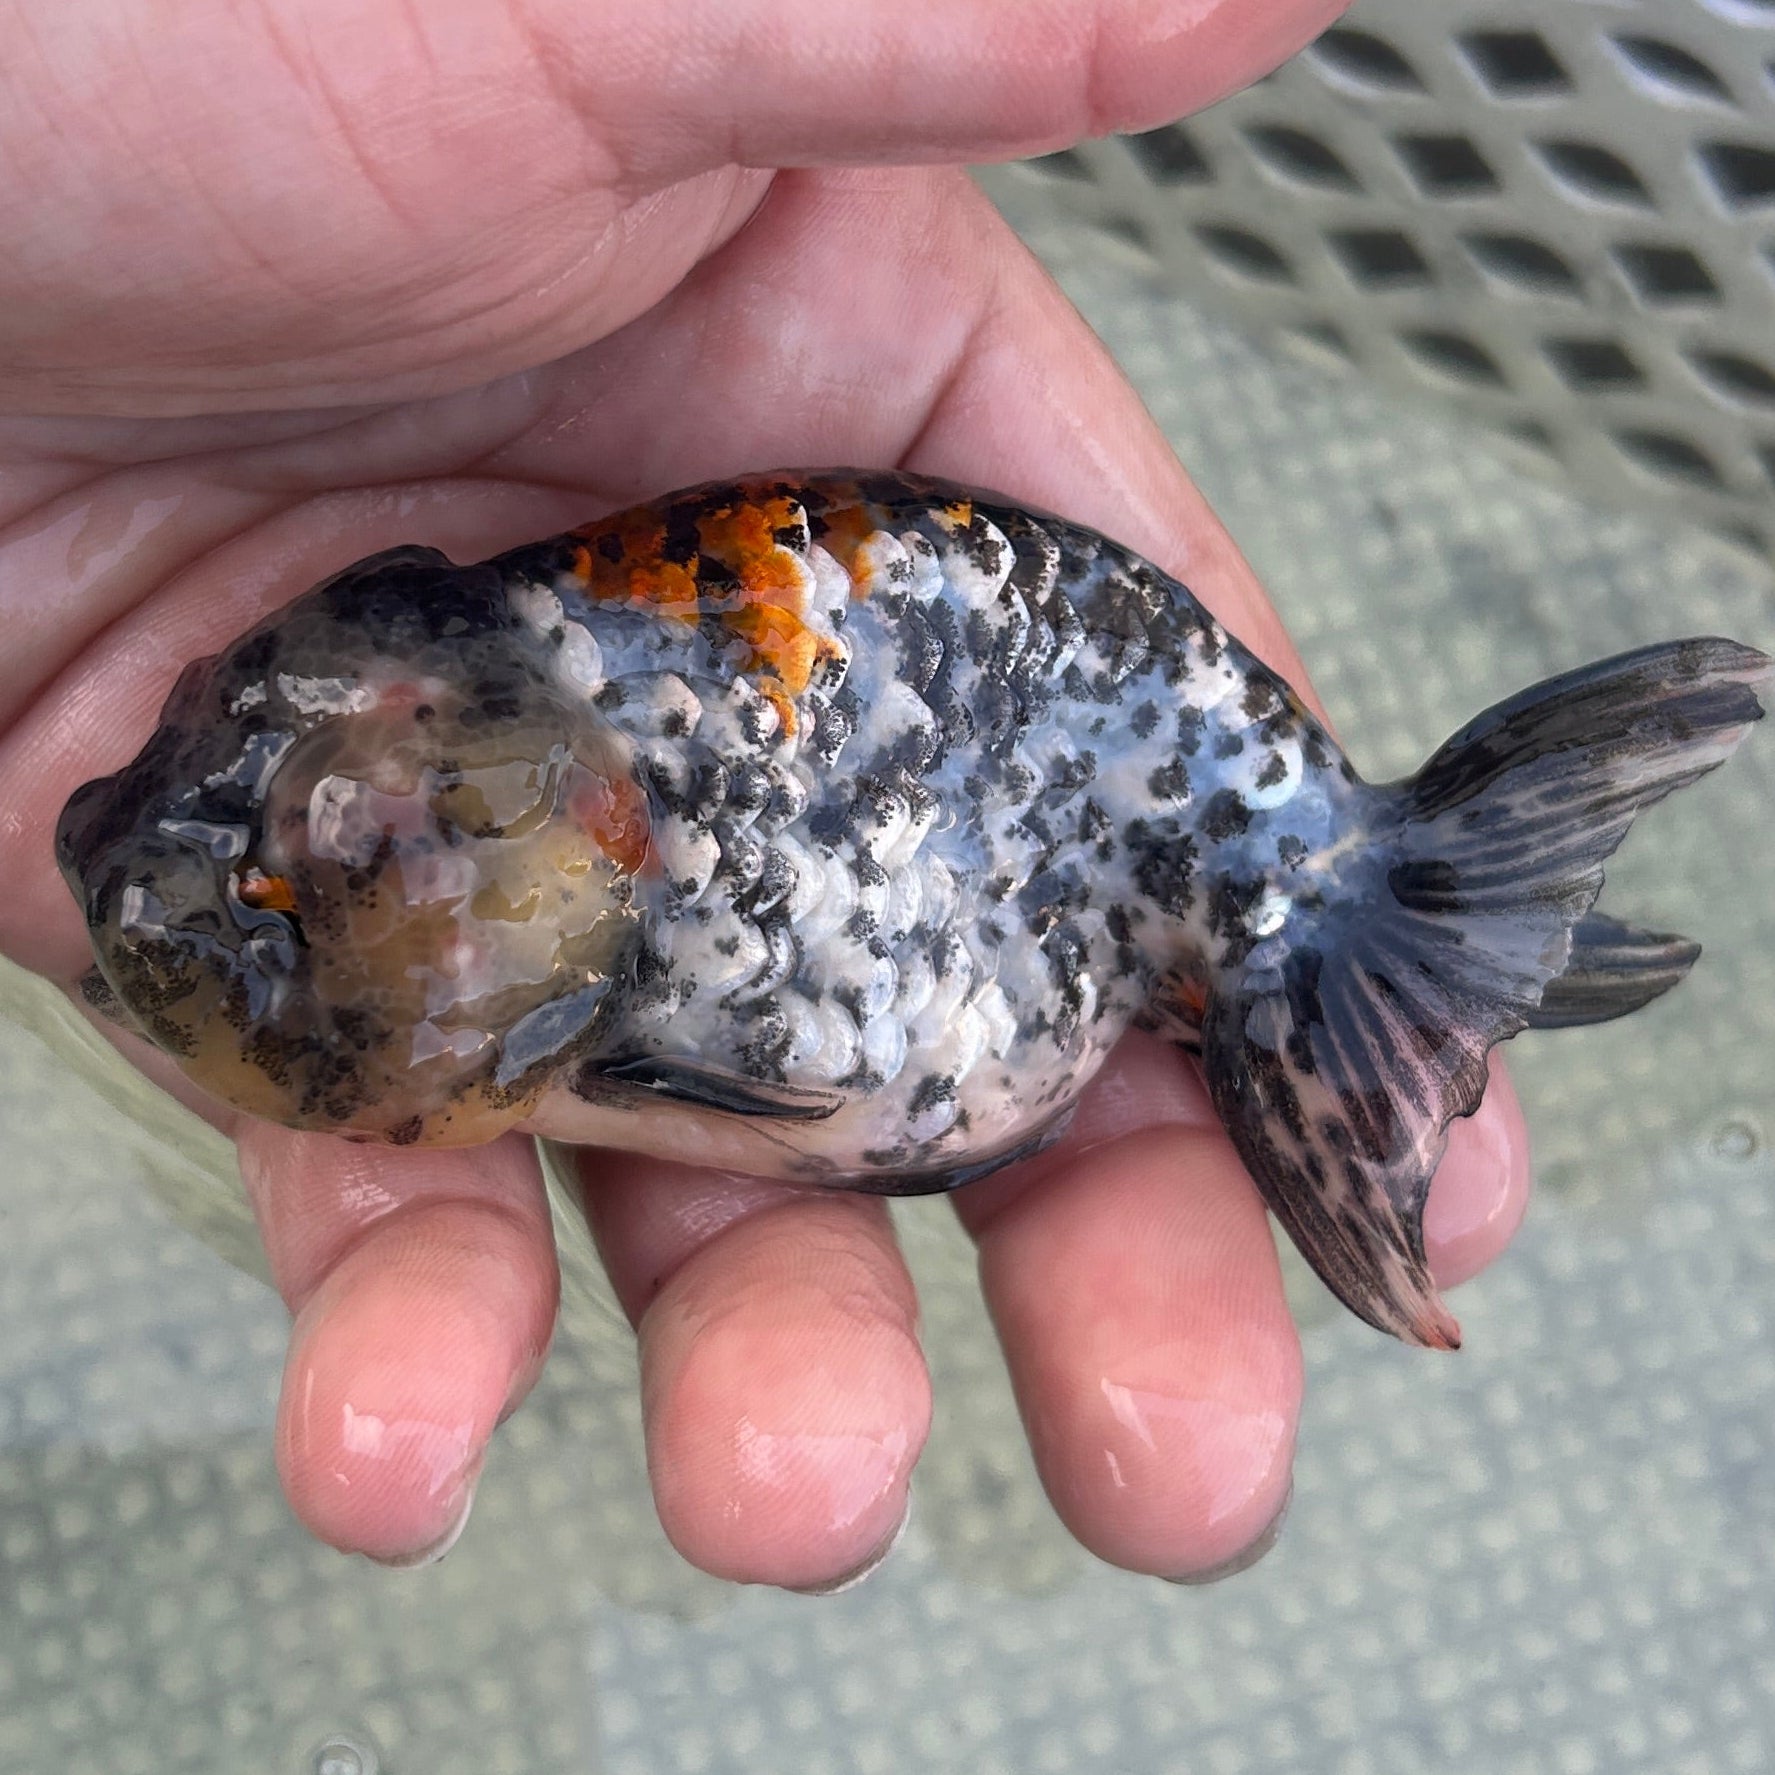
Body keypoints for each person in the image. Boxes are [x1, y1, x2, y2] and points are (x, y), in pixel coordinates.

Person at [0, 0, 1526, 1588]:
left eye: (288, 900)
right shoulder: (491, 751)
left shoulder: (576, 807)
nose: (235, 896)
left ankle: (1347, 929)